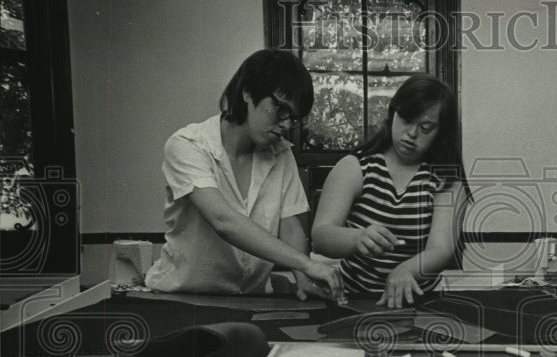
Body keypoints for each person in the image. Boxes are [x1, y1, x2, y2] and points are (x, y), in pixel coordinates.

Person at [145, 49, 342, 300]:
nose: (285, 124)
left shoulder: (282, 155)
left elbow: (291, 228)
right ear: (248, 92)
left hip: (249, 300)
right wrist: (306, 264)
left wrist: (304, 279)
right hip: (183, 299)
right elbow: (223, 220)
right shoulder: (187, 144)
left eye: (292, 118)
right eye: (281, 109)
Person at [311, 74, 469, 309]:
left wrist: (406, 270)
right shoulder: (356, 167)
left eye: (425, 128)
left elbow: (441, 249)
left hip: (419, 301)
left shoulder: (446, 180)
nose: (412, 134)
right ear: (392, 113)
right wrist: (357, 238)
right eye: (406, 119)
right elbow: (321, 236)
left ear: (441, 133)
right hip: (353, 299)